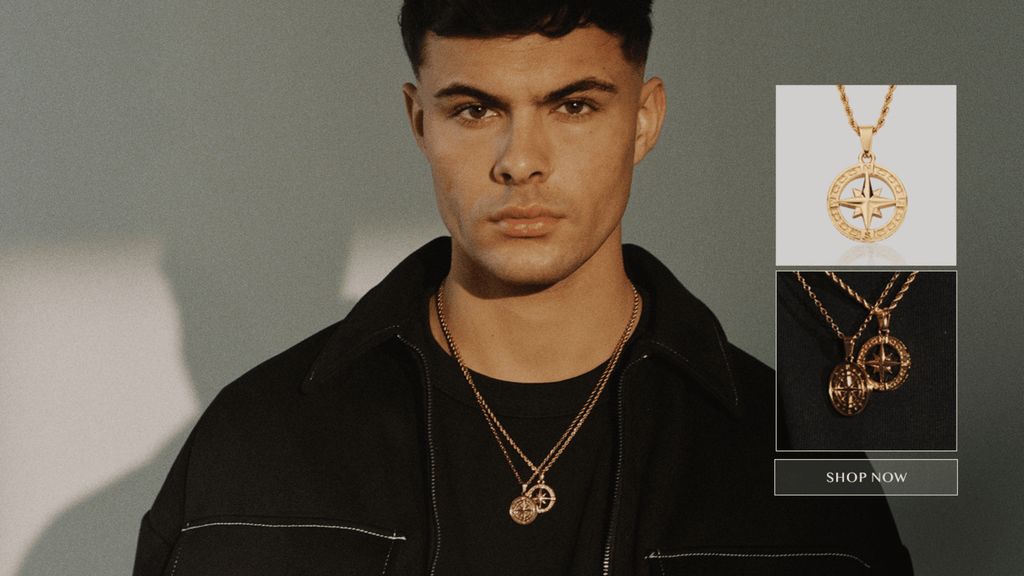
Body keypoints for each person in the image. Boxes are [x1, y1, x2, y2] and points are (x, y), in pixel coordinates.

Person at [133, 1, 913, 574]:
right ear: (419, 123)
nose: (520, 160)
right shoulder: (250, 451)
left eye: (573, 106)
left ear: (644, 120)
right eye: (474, 110)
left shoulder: (795, 454)